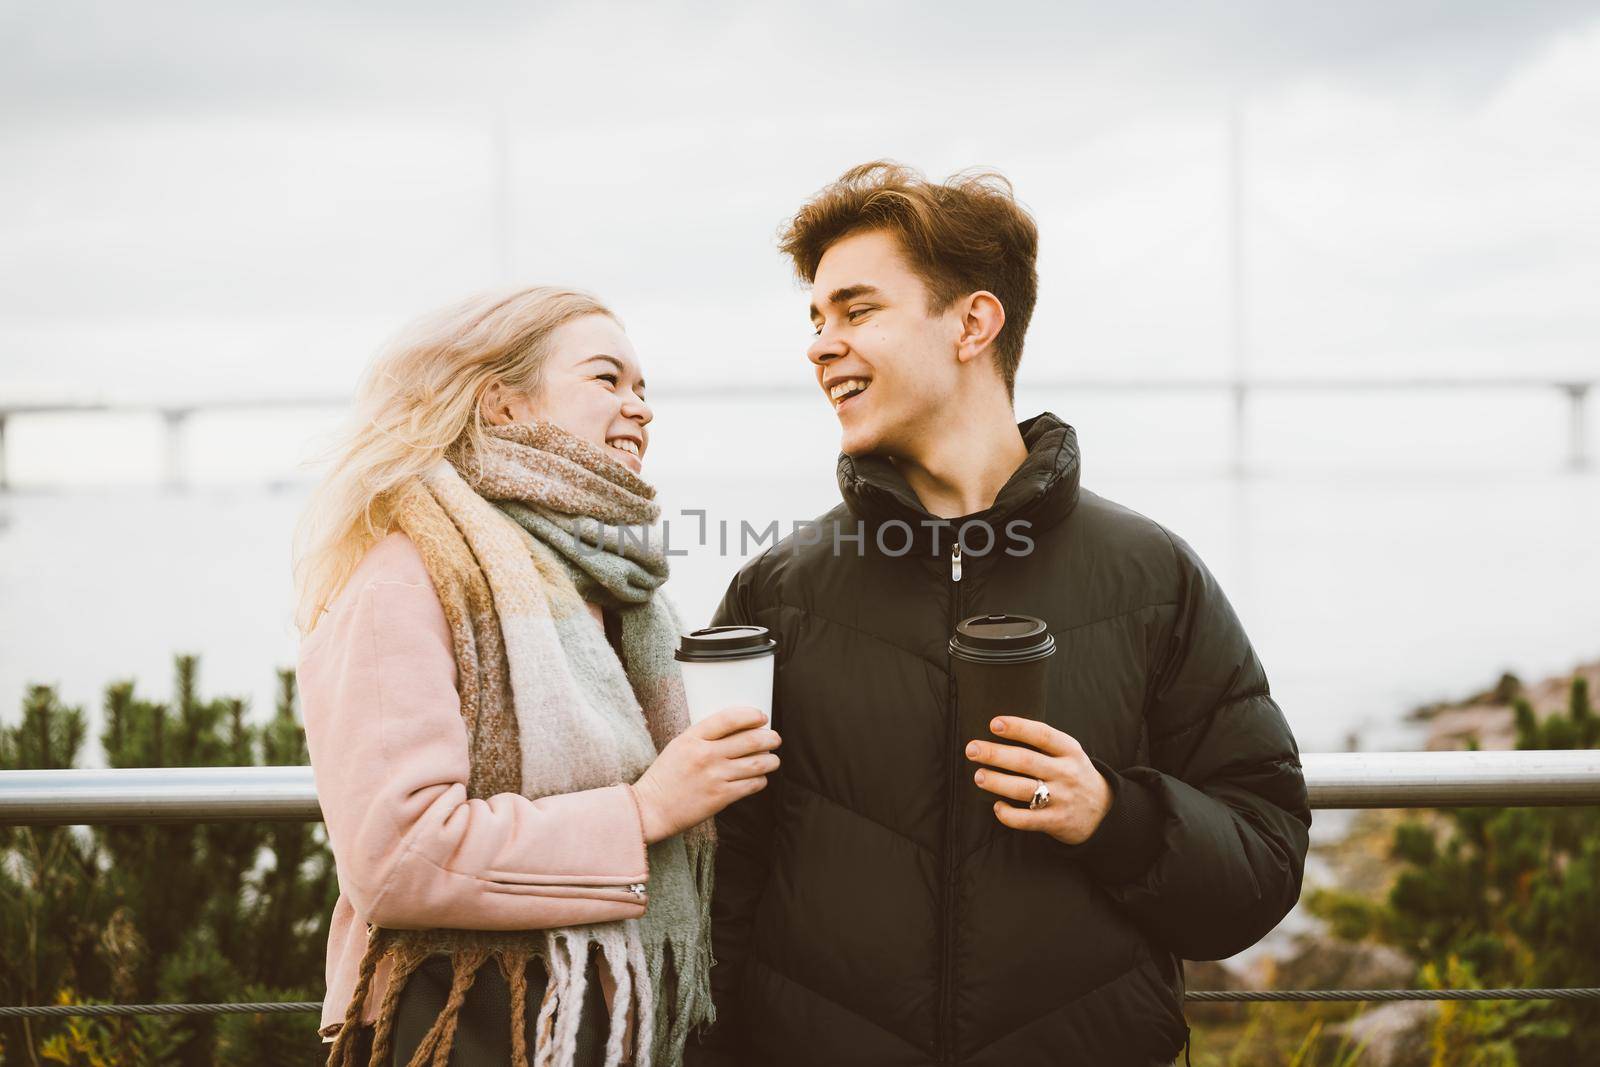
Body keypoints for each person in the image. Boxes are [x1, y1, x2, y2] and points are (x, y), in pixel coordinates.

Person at [687, 163, 1312, 1066]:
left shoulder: (1154, 578)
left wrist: (1115, 816)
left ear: (974, 323)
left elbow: (1262, 860)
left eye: (857, 311)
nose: (821, 345)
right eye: (817, 320)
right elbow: (718, 890)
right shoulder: (775, 593)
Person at [292, 287, 782, 1067]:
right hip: (470, 1022)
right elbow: (398, 856)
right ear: (502, 405)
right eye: (607, 380)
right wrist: (645, 809)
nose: (640, 407)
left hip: (614, 1020)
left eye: (644, 388)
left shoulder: (618, 585)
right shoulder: (406, 575)